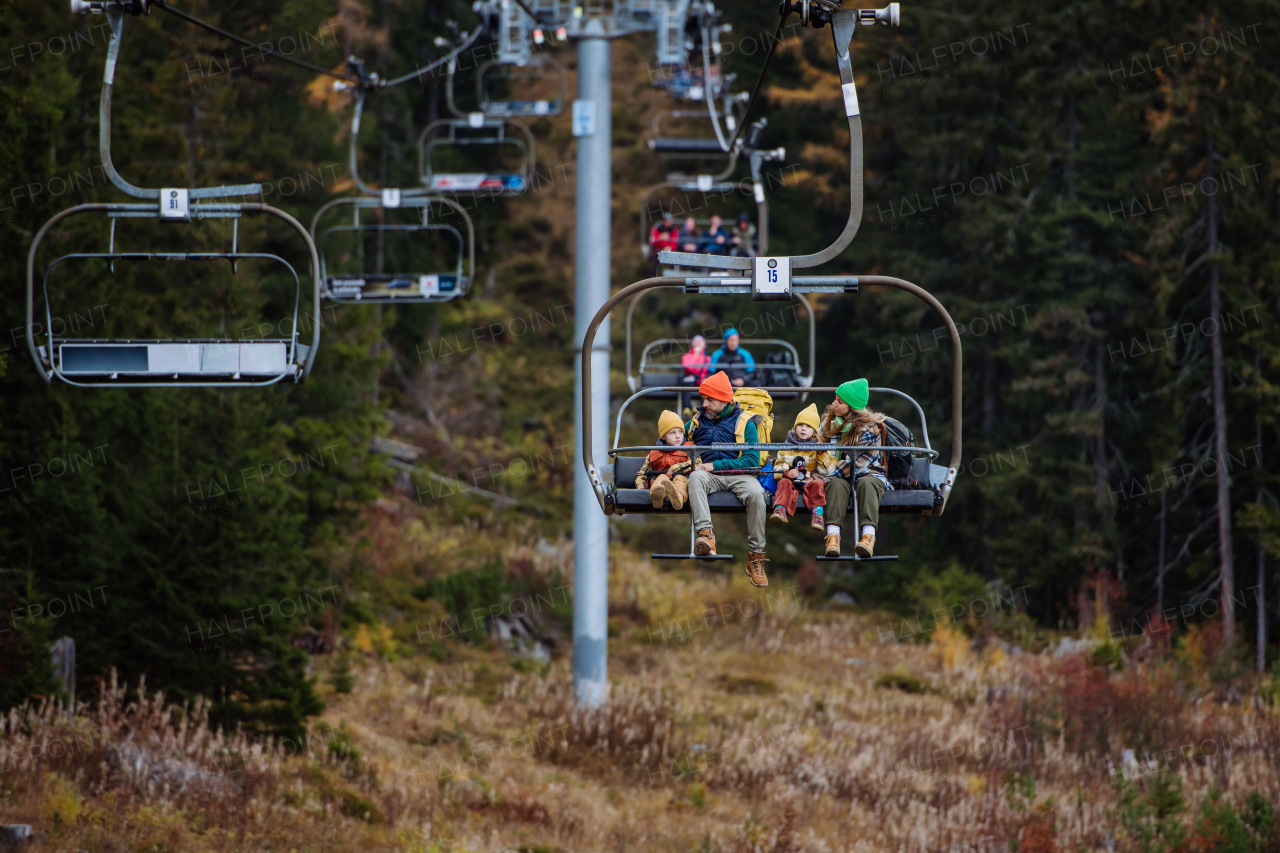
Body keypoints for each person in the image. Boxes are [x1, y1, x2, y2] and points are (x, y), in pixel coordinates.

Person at [685, 371, 769, 587]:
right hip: (707, 476)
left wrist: (716, 465)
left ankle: (756, 558)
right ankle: (706, 535)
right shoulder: (696, 422)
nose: (704, 404)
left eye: (709, 400)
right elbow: (671, 437)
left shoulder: (745, 422)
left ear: (723, 399)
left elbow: (752, 460)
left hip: (738, 475)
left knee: (757, 494)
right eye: (703, 399)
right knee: (695, 478)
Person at [818, 378, 892, 559]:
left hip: (868, 472)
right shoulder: (831, 424)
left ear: (852, 407)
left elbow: (856, 463)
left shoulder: (870, 428)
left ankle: (868, 537)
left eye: (840, 402)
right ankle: (833, 536)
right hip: (840, 476)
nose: (834, 404)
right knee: (836, 486)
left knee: (868, 484)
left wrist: (824, 478)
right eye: (835, 399)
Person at [768, 404, 837, 531]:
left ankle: (817, 515)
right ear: (795, 427)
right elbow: (777, 466)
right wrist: (786, 473)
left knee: (818, 484)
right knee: (783, 483)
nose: (803, 429)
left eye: (808, 426)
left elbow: (830, 471)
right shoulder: (787, 446)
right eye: (800, 425)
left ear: (815, 430)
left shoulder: (819, 447)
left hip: (809, 482)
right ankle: (780, 509)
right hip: (792, 481)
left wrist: (821, 456)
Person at [634, 410, 693, 510]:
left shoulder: (690, 449)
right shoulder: (654, 453)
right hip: (662, 481)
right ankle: (657, 496)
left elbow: (696, 463)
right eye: (672, 433)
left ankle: (678, 497)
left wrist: (676, 468)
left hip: (682, 480)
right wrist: (640, 489)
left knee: (679, 479)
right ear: (664, 436)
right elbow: (642, 473)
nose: (678, 436)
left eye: (680, 431)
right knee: (661, 478)